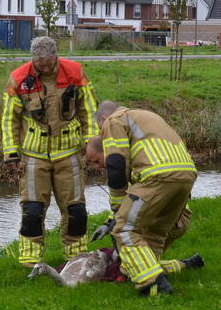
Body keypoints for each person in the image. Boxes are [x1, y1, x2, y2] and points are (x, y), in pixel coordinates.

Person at [84, 100, 204, 297]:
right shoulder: (147, 117)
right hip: (185, 175)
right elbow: (135, 196)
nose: (102, 134)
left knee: (124, 229)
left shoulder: (114, 121)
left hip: (157, 175)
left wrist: (116, 212)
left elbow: (115, 164)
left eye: (100, 129)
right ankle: (181, 266)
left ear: (104, 119)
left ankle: (154, 285)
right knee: (152, 235)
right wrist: (110, 219)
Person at [1, 36, 99, 266]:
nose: (45, 68)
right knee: (32, 209)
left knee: (76, 209)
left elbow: (89, 110)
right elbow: (9, 119)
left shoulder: (75, 73)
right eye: (40, 64)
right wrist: (11, 151)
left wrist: (92, 141)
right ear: (33, 59)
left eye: (48, 63)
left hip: (70, 152)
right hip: (34, 155)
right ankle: (30, 259)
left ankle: (75, 257)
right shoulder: (18, 79)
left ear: (55, 56)